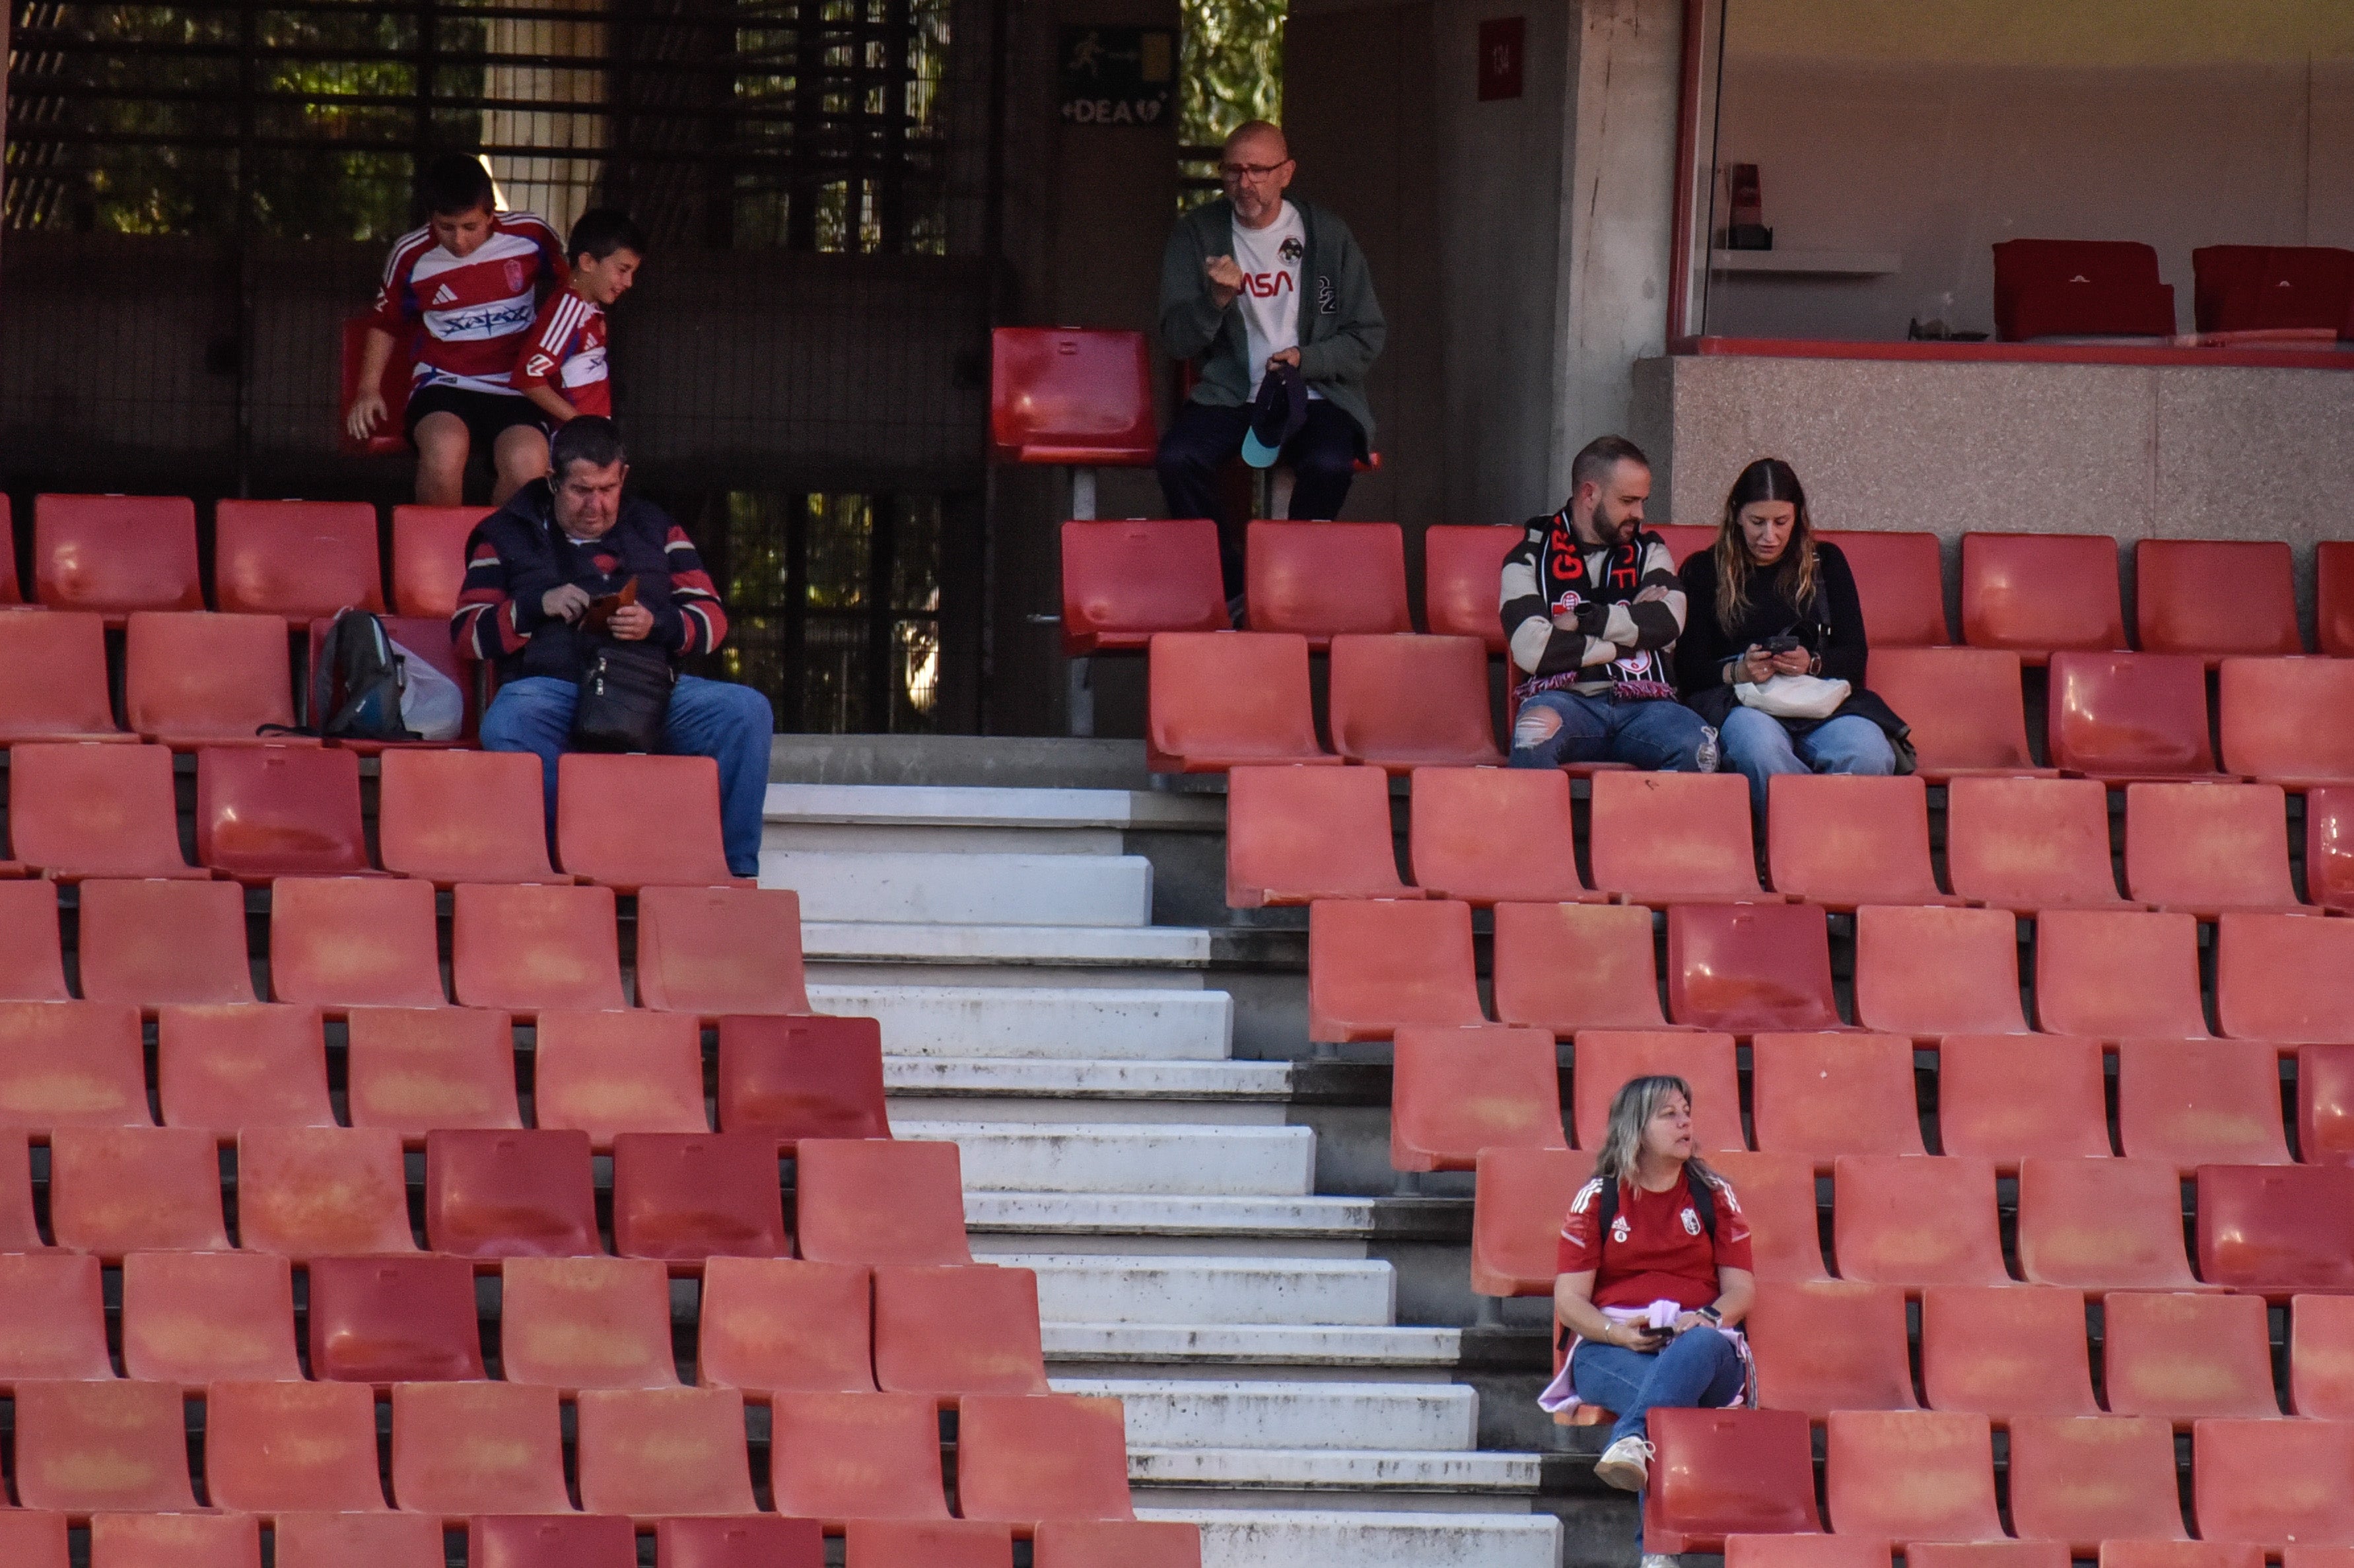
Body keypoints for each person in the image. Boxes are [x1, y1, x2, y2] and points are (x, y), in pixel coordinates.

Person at [455, 417, 774, 878]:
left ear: (623, 476)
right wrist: (535, 606)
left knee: (745, 711)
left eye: (607, 489)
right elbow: (467, 634)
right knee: (509, 719)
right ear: (553, 481)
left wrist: (657, 623)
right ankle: (560, 865)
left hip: (651, 689)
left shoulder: (658, 527)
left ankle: (731, 873)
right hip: (557, 692)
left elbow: (712, 619)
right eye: (581, 490)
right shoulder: (504, 532)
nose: (596, 505)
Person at [1156, 119, 1386, 602]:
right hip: (1232, 394)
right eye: (1233, 170)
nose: (1245, 183)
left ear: (1286, 172)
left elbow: (1366, 335)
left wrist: (1306, 358)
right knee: (1178, 459)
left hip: (1315, 393)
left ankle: (1288, 587)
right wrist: (1214, 302)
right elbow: (1176, 340)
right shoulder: (1197, 233)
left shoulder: (1326, 234)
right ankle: (1233, 588)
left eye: (1258, 170)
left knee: (1329, 463)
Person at [1552, 1076, 1754, 1567]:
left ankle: (1629, 1436)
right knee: (1664, 1396)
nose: (1685, 1123)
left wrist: (1705, 1317)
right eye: (1669, 1115)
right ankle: (1657, 1557)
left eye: (1686, 1112)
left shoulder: (1714, 1194)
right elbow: (1569, 1300)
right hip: (1613, 1345)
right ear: (1635, 1128)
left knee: (1695, 1352)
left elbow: (1742, 1290)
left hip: (1702, 1345)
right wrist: (1616, 1333)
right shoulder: (1598, 1197)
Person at [1675, 458, 1907, 813]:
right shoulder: (1705, 570)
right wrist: (1738, 671)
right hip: (1744, 703)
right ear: (1736, 515)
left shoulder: (1825, 562)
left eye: (1781, 522)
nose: (1769, 536)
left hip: (1819, 700)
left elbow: (1855, 655)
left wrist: (1812, 663)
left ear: (1797, 516)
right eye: (1757, 522)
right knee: (1759, 750)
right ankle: (1804, 839)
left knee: (1869, 752)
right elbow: (1688, 670)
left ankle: (1819, 839)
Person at [347, 151, 569, 506]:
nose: (459, 241)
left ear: (491, 214)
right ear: (430, 218)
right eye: (446, 228)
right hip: (443, 381)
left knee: (528, 463)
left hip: (517, 385)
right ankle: (437, 545)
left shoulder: (532, 235)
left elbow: (575, 289)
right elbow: (386, 323)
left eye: (470, 227)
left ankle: (498, 543)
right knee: (444, 451)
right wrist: (368, 389)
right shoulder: (410, 254)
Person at [1501, 436, 1715, 771]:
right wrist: (1632, 637)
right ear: (1589, 494)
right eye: (1628, 501)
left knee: (1701, 749)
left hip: (1647, 706)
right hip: (1566, 701)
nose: (1640, 514)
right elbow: (1533, 651)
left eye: (1643, 501)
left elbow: (1668, 623)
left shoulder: (1651, 551)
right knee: (1532, 734)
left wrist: (1583, 619)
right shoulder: (1527, 557)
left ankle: (1645, 811)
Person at [514, 207, 645, 428]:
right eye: (623, 270)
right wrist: (582, 425)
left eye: (633, 273)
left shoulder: (587, 306)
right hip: (576, 440)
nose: (629, 282)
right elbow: (528, 379)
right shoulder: (568, 310)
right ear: (587, 263)